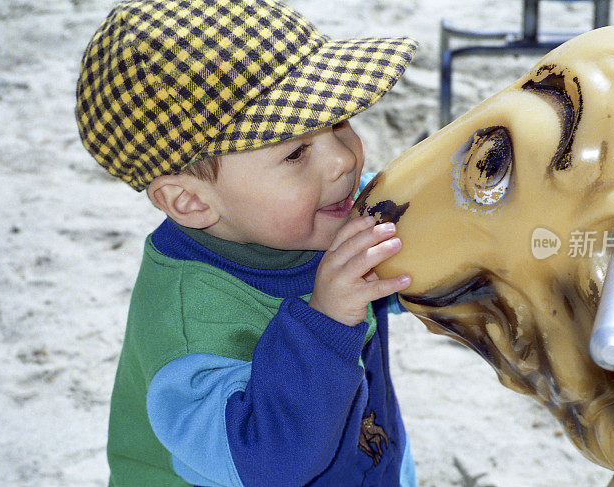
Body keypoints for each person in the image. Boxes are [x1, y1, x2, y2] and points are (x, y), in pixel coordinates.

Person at [75, 0, 418, 485]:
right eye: (298, 151)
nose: (343, 159)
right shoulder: (189, 331)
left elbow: (421, 264)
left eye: (339, 122)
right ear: (190, 201)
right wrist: (326, 323)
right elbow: (267, 462)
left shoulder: (322, 211)